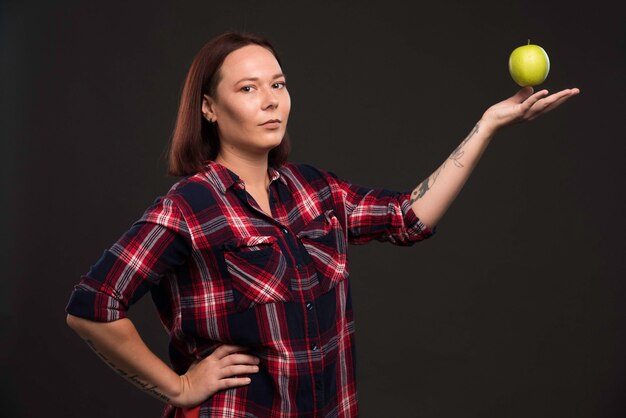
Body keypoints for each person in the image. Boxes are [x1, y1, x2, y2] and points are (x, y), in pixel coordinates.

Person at [65, 31, 579, 417]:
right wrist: (178, 388)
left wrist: (486, 125)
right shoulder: (190, 206)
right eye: (248, 88)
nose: (271, 100)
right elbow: (92, 306)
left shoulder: (314, 191)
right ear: (209, 109)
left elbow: (407, 217)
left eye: (279, 84)